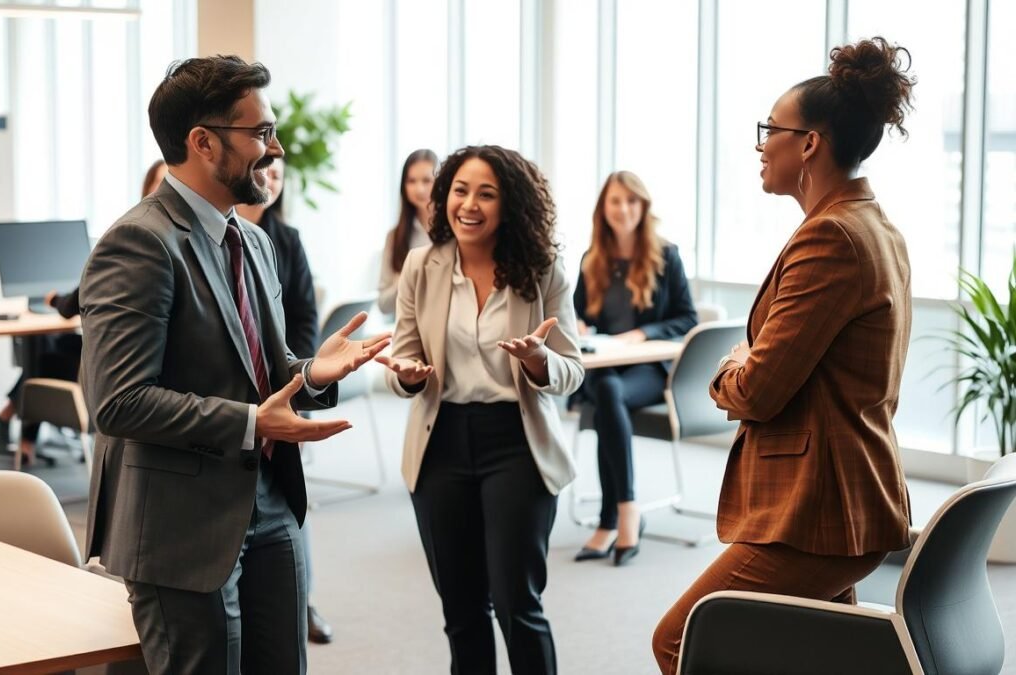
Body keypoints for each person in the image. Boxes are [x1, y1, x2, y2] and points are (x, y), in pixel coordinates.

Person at [79, 55, 390, 675]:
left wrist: (312, 374)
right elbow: (118, 401)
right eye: (261, 132)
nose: (275, 150)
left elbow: (263, 372)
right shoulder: (138, 243)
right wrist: (252, 422)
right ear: (203, 142)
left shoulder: (253, 240)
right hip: (180, 522)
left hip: (269, 501)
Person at [651, 37, 916, 673]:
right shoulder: (870, 223)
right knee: (820, 659)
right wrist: (750, 358)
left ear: (810, 144)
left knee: (682, 641)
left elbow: (758, 390)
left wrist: (728, 366)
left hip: (819, 510)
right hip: (844, 500)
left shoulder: (832, 236)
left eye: (771, 129)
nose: (761, 144)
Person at [377, 145, 583, 674]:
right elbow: (403, 356)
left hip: (516, 441)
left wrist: (539, 361)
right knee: (462, 610)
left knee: (518, 604)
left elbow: (572, 369)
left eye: (486, 194)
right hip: (440, 441)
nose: (469, 205)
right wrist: (405, 375)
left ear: (509, 204)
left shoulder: (542, 269)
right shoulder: (421, 265)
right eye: (460, 191)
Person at [0, 160, 167, 464]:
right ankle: (16, 425)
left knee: (44, 356)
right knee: (53, 345)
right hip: (125, 366)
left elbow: (71, 304)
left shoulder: (133, 239)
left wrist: (52, 300)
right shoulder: (141, 236)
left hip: (111, 373)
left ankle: (18, 428)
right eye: (161, 183)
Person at [572, 171, 697, 566]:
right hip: (603, 367)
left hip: (648, 370)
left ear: (643, 207)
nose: (623, 209)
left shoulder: (666, 256)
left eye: (631, 201)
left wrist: (643, 333)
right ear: (603, 209)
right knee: (606, 391)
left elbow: (687, 318)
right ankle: (624, 513)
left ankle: (614, 518)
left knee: (607, 397)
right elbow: (575, 314)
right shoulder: (592, 259)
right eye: (615, 201)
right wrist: (579, 325)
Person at [236, 157, 332, 645]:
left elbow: (303, 315)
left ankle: (303, 599)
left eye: (278, 175)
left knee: (286, 497)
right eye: (264, 168)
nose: (270, 180)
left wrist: (300, 377)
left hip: (282, 385)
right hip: (235, 409)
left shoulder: (280, 239)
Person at [376, 148, 437, 316]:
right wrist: (407, 277)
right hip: (410, 326)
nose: (419, 189)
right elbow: (383, 305)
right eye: (411, 181)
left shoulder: (455, 232)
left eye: (427, 180)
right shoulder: (395, 237)